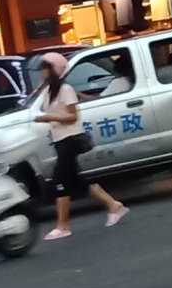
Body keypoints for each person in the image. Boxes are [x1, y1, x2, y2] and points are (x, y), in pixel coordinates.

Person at [34, 49, 128, 241]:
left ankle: (63, 226)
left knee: (60, 182)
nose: (42, 73)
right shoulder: (48, 91)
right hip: (60, 140)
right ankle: (114, 205)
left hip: (70, 139)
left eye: (45, 68)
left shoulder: (65, 89)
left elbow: (73, 116)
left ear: (54, 70)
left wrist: (49, 118)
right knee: (77, 181)